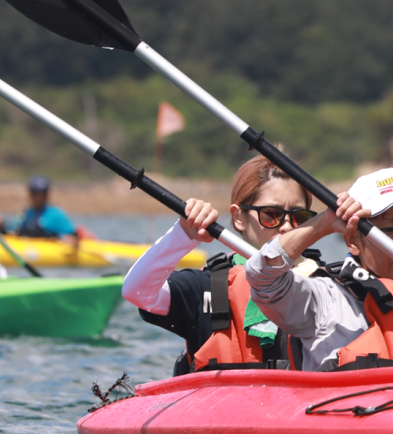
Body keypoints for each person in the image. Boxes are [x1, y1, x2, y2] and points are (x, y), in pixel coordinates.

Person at [122, 154, 319, 375]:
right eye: (271, 215)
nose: (286, 227)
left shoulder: (326, 284)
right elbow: (137, 292)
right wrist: (183, 235)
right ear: (238, 218)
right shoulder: (208, 286)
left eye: (299, 217)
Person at [244, 167, 393, 372]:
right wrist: (324, 223)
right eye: (390, 230)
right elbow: (262, 278)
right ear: (353, 240)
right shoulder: (323, 300)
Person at [4, 175, 77, 245]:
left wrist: (70, 239)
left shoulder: (56, 214)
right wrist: (0, 224)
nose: (35, 197)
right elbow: (11, 229)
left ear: (46, 195)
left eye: (39, 194)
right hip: (27, 249)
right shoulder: (25, 213)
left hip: (47, 253)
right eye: (33, 192)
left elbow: (72, 235)